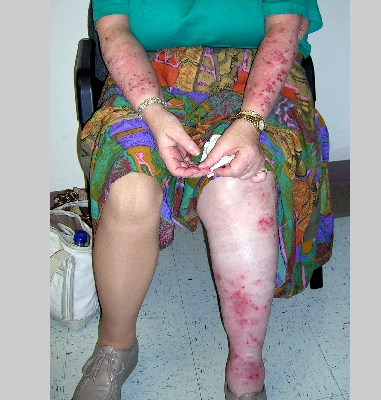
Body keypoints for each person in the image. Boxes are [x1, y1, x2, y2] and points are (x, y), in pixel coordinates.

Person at [72, 1, 334, 399]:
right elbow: (114, 32)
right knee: (130, 191)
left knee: (239, 189)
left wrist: (250, 123)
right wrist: (154, 113)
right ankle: (115, 347)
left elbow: (285, 29)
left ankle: (246, 370)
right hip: (146, 77)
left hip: (256, 78)